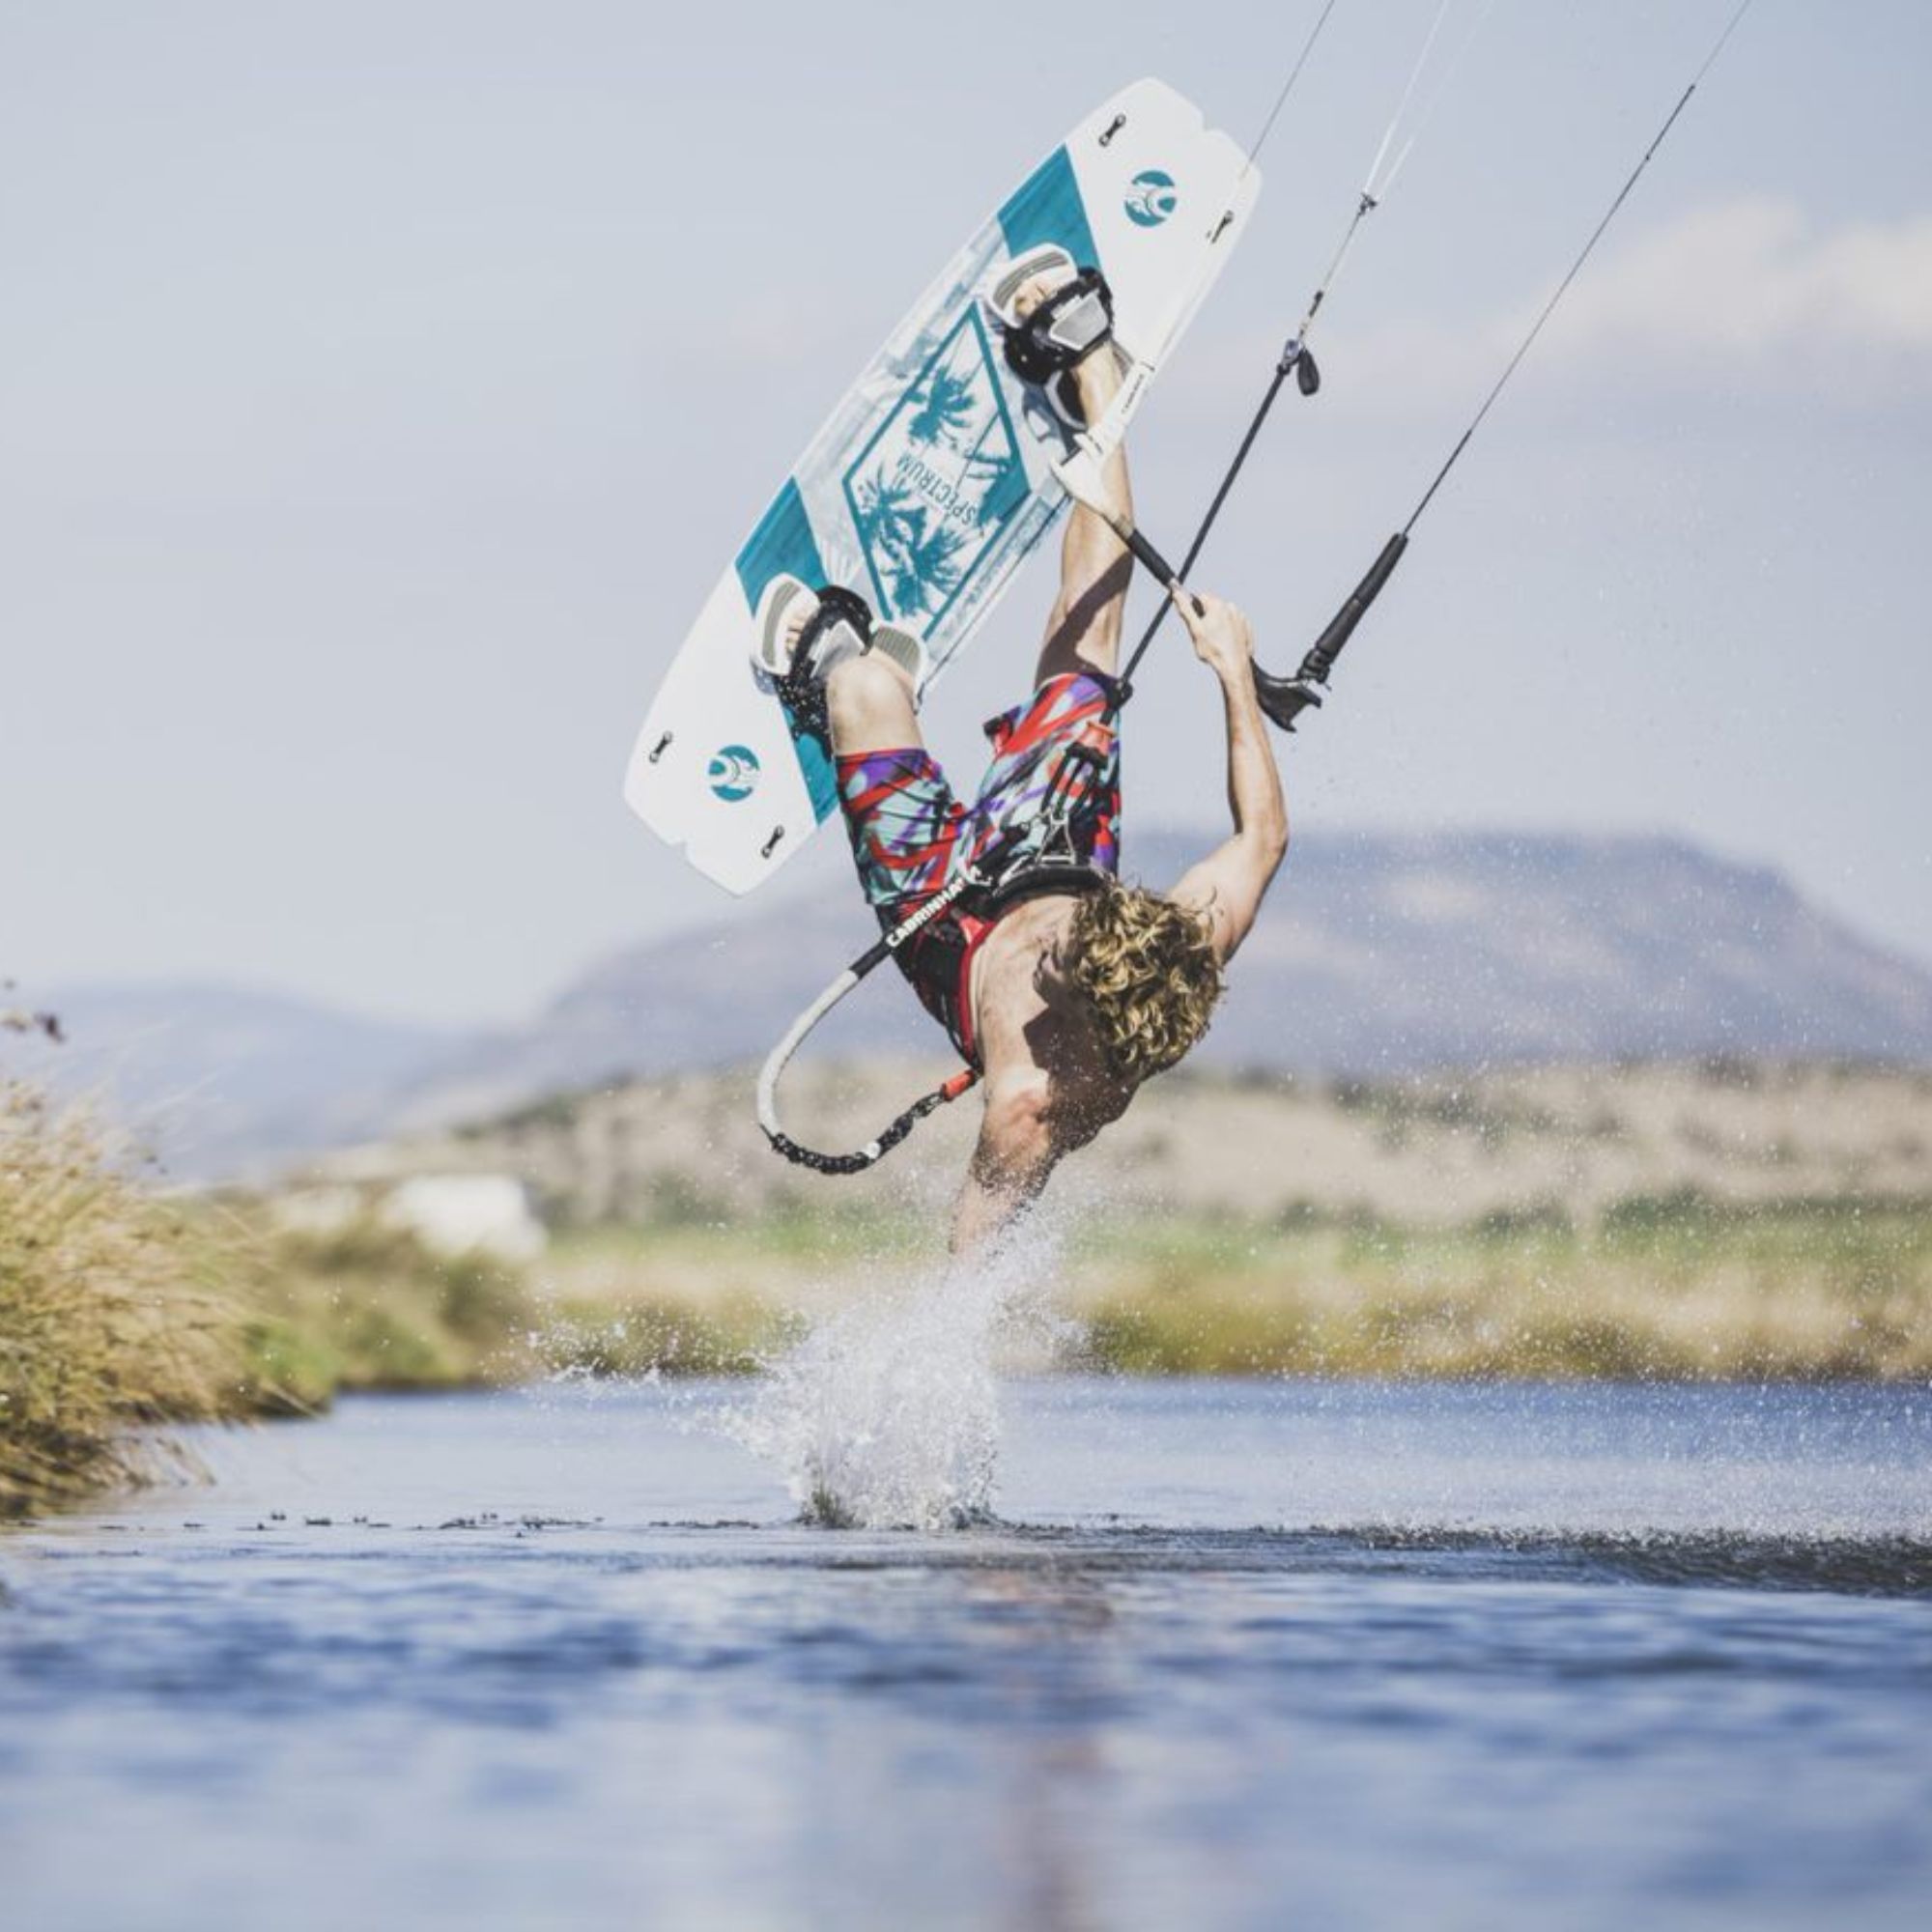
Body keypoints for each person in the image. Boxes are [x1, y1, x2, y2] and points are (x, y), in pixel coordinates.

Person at [758, 259, 1289, 1252]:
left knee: (866, 683)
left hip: (945, 917)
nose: (1051, 941)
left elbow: (970, 1260)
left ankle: (823, 670)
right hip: (1046, 841)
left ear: (1075, 1005)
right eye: (1077, 933)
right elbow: (1262, 835)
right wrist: (1231, 668)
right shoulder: (1181, 939)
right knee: (1088, 629)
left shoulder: (1028, 1104)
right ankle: (1090, 362)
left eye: (1054, 960)